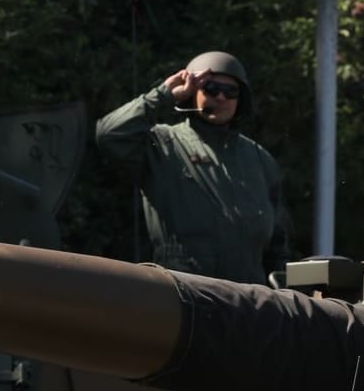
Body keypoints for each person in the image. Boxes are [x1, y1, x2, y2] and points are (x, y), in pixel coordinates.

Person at [95, 50, 292, 285]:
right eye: (211, 88)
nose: (221, 97)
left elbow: (277, 247)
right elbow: (109, 134)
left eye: (231, 92)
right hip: (183, 294)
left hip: (247, 302)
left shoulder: (261, 161)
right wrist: (164, 94)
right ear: (192, 92)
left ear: (241, 100)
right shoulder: (162, 145)